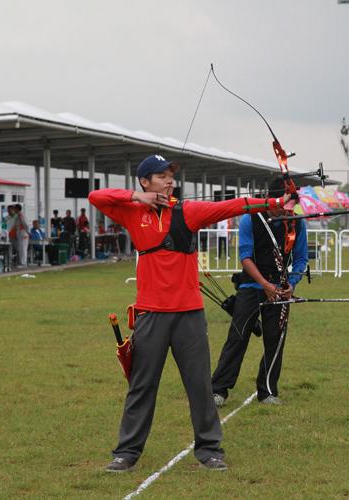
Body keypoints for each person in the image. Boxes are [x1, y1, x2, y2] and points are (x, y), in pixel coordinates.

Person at [88, 154, 293, 473]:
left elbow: (234, 206)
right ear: (145, 181)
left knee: (199, 385)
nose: (170, 181)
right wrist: (136, 197)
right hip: (151, 315)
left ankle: (209, 450)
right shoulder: (133, 212)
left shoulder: (187, 212)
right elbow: (95, 196)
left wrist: (275, 202)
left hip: (189, 315)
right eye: (161, 176)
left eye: (171, 176)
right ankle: (126, 452)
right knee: (142, 385)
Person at [211, 180, 308, 408]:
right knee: (238, 337)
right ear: (273, 201)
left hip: (281, 290)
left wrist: (291, 284)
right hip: (251, 288)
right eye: (284, 206)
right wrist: (264, 284)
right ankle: (218, 390)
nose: (287, 212)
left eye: (291, 208)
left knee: (275, 339)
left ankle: (267, 391)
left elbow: (301, 258)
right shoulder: (250, 218)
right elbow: (245, 257)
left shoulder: (297, 223)